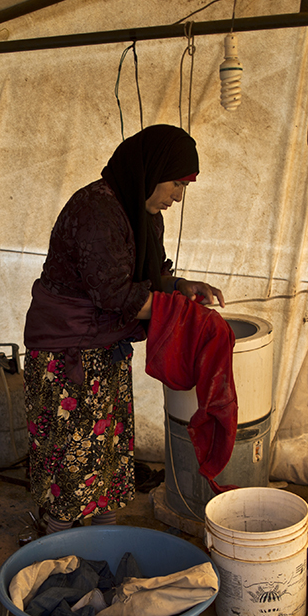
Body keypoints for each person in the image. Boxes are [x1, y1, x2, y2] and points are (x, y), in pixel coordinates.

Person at [23, 125, 225, 536]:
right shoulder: (96, 211)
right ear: (149, 171)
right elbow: (115, 294)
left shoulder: (143, 214)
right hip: (68, 354)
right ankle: (54, 546)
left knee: (108, 454)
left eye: (185, 186)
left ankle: (105, 539)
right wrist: (183, 313)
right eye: (174, 184)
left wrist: (179, 287)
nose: (178, 196)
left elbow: (147, 278)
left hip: (106, 350)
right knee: (74, 461)